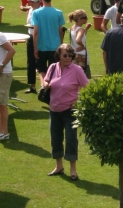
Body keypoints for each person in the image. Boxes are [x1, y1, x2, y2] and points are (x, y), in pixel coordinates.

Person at [44, 44, 89, 180]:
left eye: (70, 55)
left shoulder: (77, 70)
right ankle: (59, 166)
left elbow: (87, 87)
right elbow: (46, 80)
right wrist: (45, 84)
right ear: (59, 56)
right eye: (65, 55)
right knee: (55, 138)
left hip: (70, 111)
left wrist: (79, 101)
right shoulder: (53, 67)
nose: (68, 58)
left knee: (71, 139)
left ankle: (73, 170)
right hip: (54, 110)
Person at [32, 0, 65, 90]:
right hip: (55, 47)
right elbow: (60, 31)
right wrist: (61, 46)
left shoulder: (36, 13)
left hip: (41, 46)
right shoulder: (58, 13)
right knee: (54, 70)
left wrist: (35, 48)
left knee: (41, 69)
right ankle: (51, 89)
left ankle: (43, 86)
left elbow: (35, 32)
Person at [23, 0, 41, 93]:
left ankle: (44, 86)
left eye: (33, 1)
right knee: (30, 62)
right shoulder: (30, 10)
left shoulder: (40, 12)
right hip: (30, 36)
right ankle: (32, 86)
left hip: (39, 37)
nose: (31, 3)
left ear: (39, 2)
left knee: (40, 62)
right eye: (31, 1)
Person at [68, 9, 92, 79]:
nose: (87, 19)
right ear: (79, 19)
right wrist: (83, 46)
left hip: (74, 56)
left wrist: (86, 29)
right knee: (84, 79)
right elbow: (78, 40)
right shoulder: (80, 29)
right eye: (85, 17)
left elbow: (81, 37)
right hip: (82, 57)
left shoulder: (72, 28)